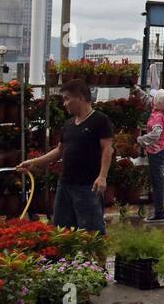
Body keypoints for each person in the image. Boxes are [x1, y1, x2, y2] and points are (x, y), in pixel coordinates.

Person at [18, 80, 113, 235]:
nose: (65, 104)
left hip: (88, 186)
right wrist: (33, 162)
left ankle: (98, 260)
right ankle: (66, 259)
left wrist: (102, 176)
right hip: (66, 184)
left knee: (92, 231)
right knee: (62, 229)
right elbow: (59, 150)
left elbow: (107, 149)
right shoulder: (69, 124)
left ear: (80, 98)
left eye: (67, 99)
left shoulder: (100, 120)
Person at [138, 87, 164, 223]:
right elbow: (148, 99)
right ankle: (159, 211)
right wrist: (136, 89)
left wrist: (140, 140)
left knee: (157, 184)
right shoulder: (161, 111)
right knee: (156, 182)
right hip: (158, 151)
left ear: (158, 102)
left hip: (157, 153)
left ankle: (160, 213)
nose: (152, 100)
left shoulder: (158, 117)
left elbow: (155, 134)